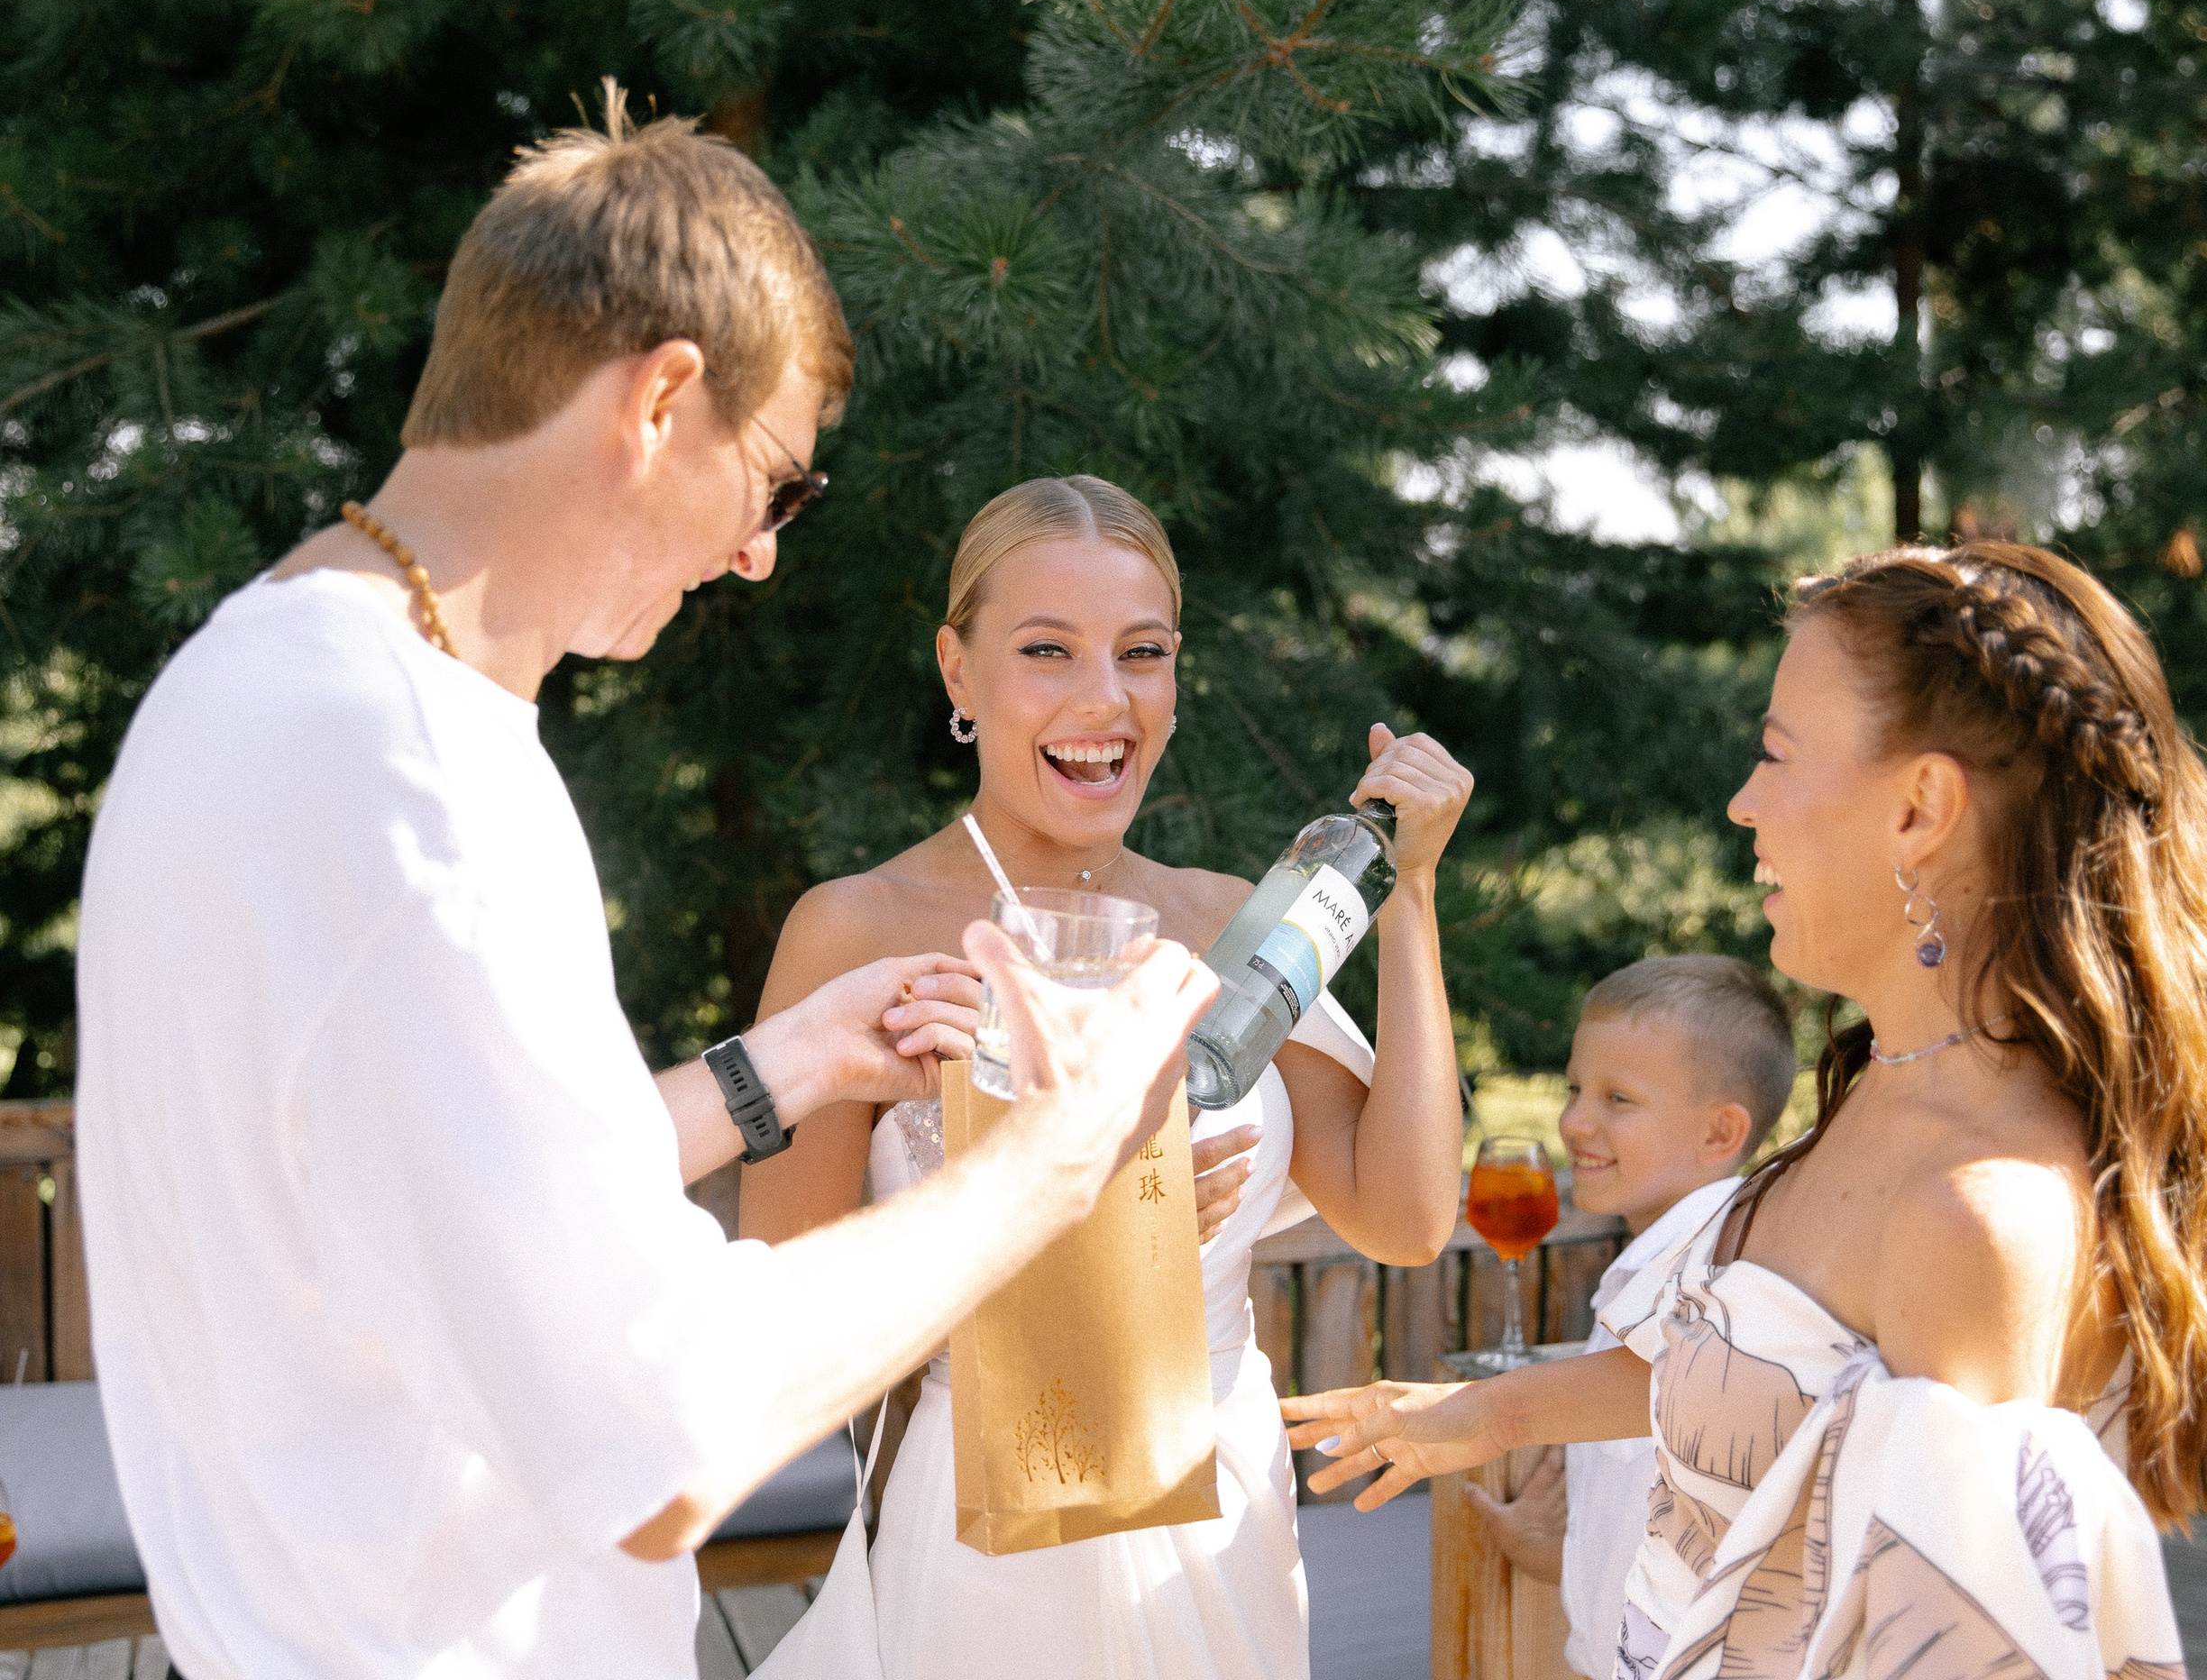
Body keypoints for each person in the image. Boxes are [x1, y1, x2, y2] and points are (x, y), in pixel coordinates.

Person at [72, 98, 1220, 1680]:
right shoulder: (419, 788)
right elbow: (661, 1434)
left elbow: (408, 1192)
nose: (756, 555)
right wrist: (1056, 1160)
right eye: (778, 486)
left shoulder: (243, 687)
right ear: (665, 399)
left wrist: (788, 1068)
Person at [1282, 543, 2207, 1679]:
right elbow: (1784, 1386)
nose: (1741, 801)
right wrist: (1484, 1416)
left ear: (1919, 809)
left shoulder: (1975, 1219)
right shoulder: (1891, 1084)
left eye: (1775, 754)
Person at [741, 473, 1475, 1680]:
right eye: (1047, 650)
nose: (1105, 699)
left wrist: (1414, 898)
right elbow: (783, 1316)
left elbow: (1404, 1216)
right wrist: (1080, 1229)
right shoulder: (857, 929)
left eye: (1143, 653)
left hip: (1221, 1523)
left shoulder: (1236, 923)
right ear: (958, 672)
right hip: (992, 1539)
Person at [1462, 955, 1794, 1680]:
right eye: (1577, 1088)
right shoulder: (1644, 1274)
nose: (1574, 1121)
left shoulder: (1709, 1291)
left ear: (1719, 1134)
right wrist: (1552, 1549)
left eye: (1618, 1099)